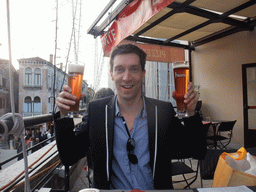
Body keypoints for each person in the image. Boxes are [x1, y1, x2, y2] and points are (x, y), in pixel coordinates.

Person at [54, 44, 207, 190]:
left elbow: (197, 151)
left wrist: (191, 114)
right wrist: (64, 114)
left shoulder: (162, 111)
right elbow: (68, 156)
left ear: (143, 73)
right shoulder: (97, 111)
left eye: (134, 69)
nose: (127, 77)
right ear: (112, 74)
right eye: (120, 69)